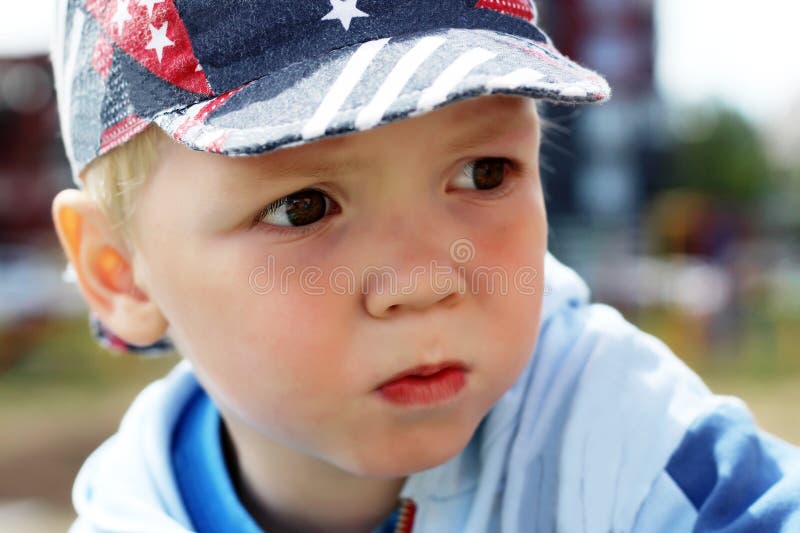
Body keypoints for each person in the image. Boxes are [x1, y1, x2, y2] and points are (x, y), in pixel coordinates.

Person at [50, 1, 800, 532]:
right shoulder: (128, 512)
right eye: (304, 206)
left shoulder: (620, 439)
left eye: (482, 173)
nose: (424, 280)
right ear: (119, 270)